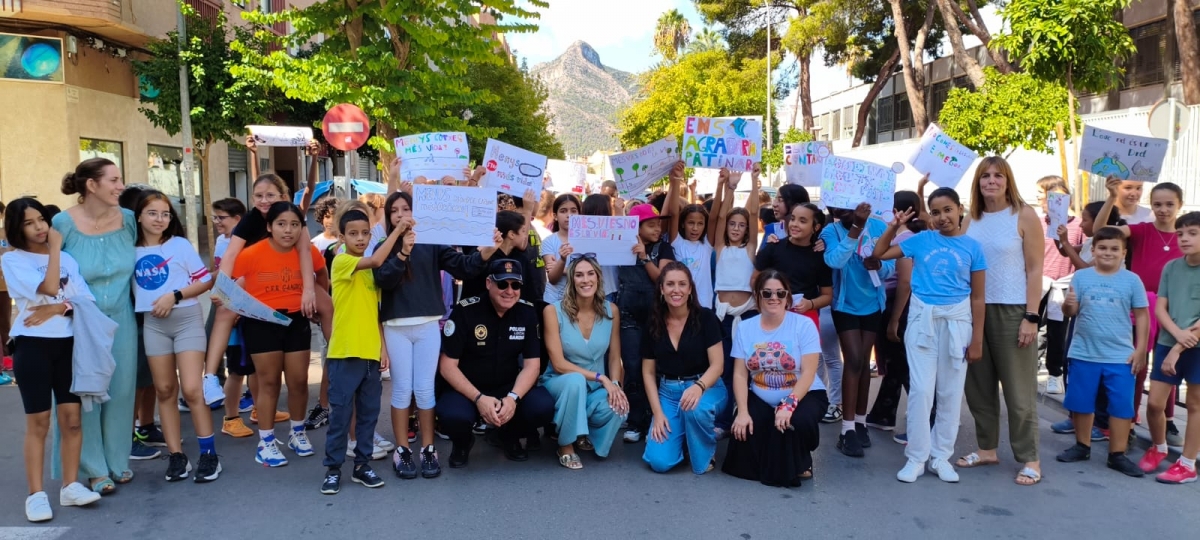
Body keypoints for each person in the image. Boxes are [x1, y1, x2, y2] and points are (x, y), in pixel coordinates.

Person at [375, 190, 495, 479]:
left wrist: (487, 251)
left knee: (426, 389)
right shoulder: (383, 245)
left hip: (429, 324)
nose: (402, 214)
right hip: (396, 327)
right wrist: (402, 250)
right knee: (403, 389)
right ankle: (402, 450)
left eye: (407, 208)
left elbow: (463, 266)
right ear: (389, 216)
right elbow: (384, 279)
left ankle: (428, 448)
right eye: (395, 210)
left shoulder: (431, 243)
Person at [874, 188, 986, 483]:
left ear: (959, 209)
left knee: (950, 393)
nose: (942, 217)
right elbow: (880, 254)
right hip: (923, 318)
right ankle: (916, 457)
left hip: (958, 321)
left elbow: (978, 298)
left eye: (948, 210)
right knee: (922, 391)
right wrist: (893, 227)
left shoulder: (974, 247)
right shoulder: (921, 240)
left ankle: (940, 456)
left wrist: (976, 340)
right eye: (935, 212)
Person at [4, 197, 103, 521]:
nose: (40, 228)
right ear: (17, 229)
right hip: (33, 345)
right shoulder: (12, 260)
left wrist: (58, 307)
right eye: (29, 223)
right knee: (39, 422)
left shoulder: (69, 260)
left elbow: (84, 299)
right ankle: (36, 495)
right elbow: (48, 285)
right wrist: (56, 252)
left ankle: (70, 486)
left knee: (73, 420)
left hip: (70, 344)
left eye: (41, 220)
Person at [959, 156, 1045, 486]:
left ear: (1008, 180)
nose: (991, 181)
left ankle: (1030, 458)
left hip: (1013, 311)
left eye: (998, 175)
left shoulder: (1024, 215)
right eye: (985, 176)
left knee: (1019, 392)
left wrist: (1031, 317)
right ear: (977, 182)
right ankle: (986, 449)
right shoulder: (971, 219)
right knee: (978, 388)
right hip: (974, 311)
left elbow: (1035, 269)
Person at [53, 158, 137, 493]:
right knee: (86, 393)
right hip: (78, 323)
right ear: (91, 185)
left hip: (122, 319)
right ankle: (92, 467)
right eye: (114, 180)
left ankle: (118, 461)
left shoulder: (130, 220)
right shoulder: (63, 222)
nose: (120, 186)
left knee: (120, 391)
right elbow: (50, 272)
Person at [230, 202, 327, 467]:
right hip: (261, 322)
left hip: (297, 320)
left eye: (295, 224)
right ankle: (267, 441)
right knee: (269, 382)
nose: (288, 231)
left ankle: (298, 433)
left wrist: (318, 298)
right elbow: (226, 283)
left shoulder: (307, 252)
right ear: (269, 227)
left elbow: (321, 272)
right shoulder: (250, 254)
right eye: (281, 224)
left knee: (298, 380)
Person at [132, 193, 219, 482]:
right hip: (153, 324)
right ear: (139, 216)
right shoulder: (129, 249)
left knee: (192, 389)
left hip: (186, 321)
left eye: (165, 214)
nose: (160, 219)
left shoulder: (179, 245)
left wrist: (175, 295)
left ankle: (209, 455)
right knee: (165, 390)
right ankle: (177, 456)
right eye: (153, 213)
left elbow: (205, 279)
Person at [436, 259, 555, 467]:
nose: (510, 291)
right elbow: (447, 366)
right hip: (469, 388)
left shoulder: (526, 313)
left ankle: (509, 437)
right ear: (489, 283)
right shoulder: (466, 310)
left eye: (515, 285)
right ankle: (463, 443)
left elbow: (532, 365)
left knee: (542, 406)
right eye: (503, 284)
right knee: (452, 414)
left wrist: (512, 398)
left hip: (507, 386)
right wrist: (479, 398)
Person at [320, 208, 405, 494]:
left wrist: (382, 348)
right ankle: (333, 469)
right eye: (353, 233)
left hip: (370, 354)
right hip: (344, 353)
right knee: (341, 415)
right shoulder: (342, 261)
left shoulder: (370, 274)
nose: (359, 238)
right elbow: (380, 258)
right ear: (341, 237)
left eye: (365, 233)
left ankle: (361, 466)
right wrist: (398, 229)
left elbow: (375, 314)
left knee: (369, 414)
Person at [1096, 179, 1186, 446]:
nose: (1163, 209)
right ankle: (1130, 420)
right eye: (1157, 204)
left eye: (1169, 204)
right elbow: (1102, 230)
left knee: (1167, 365)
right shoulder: (1141, 230)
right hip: (1139, 309)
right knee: (1136, 365)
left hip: (1174, 311)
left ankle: (1168, 421)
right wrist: (1111, 197)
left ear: (1179, 205)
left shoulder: (1187, 235)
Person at [1054, 226, 1148, 477]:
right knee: (1082, 404)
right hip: (1084, 352)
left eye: (1114, 249)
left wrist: (1141, 349)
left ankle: (1117, 454)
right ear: (1093, 250)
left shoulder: (1132, 280)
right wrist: (1068, 305)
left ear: (1124, 253)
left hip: (1121, 356)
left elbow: (1142, 315)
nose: (1108, 253)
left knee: (1121, 406)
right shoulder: (1082, 277)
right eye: (1102, 248)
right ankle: (1082, 446)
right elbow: (1070, 312)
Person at [722, 270, 827, 487]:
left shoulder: (803, 325)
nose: (774, 298)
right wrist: (741, 411)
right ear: (758, 296)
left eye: (780, 293)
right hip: (760, 395)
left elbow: (808, 371)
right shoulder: (745, 328)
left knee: (794, 423)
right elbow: (740, 373)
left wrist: (789, 404)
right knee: (743, 436)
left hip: (802, 393)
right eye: (767, 293)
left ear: (788, 297)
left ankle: (802, 458)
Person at [823, 202, 895, 457]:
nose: (838, 213)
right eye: (835, 210)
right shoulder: (831, 231)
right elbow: (834, 260)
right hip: (844, 305)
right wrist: (855, 228)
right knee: (853, 359)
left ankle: (860, 422)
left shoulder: (879, 226)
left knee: (863, 362)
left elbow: (890, 265)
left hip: (873, 304)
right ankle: (847, 430)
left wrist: (880, 265)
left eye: (845, 208)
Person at [541, 255, 627, 469]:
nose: (585, 280)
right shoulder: (553, 311)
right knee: (576, 382)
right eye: (579, 275)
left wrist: (615, 385)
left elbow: (615, 357)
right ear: (572, 280)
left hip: (596, 387)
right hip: (561, 382)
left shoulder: (611, 311)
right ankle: (566, 444)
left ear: (598, 278)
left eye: (590, 274)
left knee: (620, 406)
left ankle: (585, 433)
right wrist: (601, 377)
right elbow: (559, 363)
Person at [641, 262, 725, 474]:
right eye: (669, 284)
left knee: (695, 411)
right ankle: (686, 437)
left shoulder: (706, 318)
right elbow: (648, 372)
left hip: (706, 387)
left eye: (681, 284)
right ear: (661, 289)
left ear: (690, 289)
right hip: (668, 393)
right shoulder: (653, 322)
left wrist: (698, 386)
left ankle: (701, 443)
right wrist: (657, 413)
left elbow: (718, 365)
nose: (676, 290)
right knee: (659, 463)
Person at [1140, 211, 1200, 483]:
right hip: (1168, 340)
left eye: (1192, 233)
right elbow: (1160, 306)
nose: (1184, 239)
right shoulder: (1172, 267)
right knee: (1154, 403)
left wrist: (1180, 346)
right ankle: (1159, 447)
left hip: (1195, 346)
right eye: (1180, 234)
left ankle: (1187, 464)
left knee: (1195, 404)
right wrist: (1175, 336)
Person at [617, 184, 678, 443]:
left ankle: (657, 416)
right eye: (651, 225)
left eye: (659, 224)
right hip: (629, 316)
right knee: (632, 368)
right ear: (636, 228)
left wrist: (644, 258)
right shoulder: (621, 245)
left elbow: (662, 279)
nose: (658, 229)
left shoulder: (663, 249)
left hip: (657, 318)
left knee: (657, 368)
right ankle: (635, 420)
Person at [867, 191, 926, 440]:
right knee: (892, 364)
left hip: (900, 307)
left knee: (903, 367)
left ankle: (923, 424)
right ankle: (883, 414)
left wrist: (894, 321)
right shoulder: (896, 236)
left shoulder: (906, 239)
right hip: (892, 305)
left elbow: (905, 283)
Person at [709, 167, 760, 437]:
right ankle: (723, 421)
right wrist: (728, 187)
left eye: (741, 225)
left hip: (746, 316)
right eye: (733, 224)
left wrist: (753, 182)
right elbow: (717, 216)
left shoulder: (750, 249)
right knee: (724, 370)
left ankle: (746, 415)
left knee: (746, 369)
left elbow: (753, 213)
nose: (737, 228)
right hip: (723, 317)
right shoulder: (719, 247)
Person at [209, 199, 260, 438]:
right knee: (237, 370)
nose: (217, 222)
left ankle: (259, 410)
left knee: (257, 367)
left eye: (222, 218)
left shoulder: (243, 241)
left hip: (250, 312)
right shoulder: (224, 243)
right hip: (233, 316)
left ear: (238, 220)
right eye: (215, 217)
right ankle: (231, 418)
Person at [1036, 176, 1084, 395]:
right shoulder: (1036, 221)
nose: (1038, 197)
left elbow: (1079, 252)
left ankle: (1055, 373)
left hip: (1064, 284)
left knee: (1058, 331)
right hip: (1039, 282)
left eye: (1042, 193)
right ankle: (1029, 368)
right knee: (1034, 327)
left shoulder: (1078, 225)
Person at [666, 169, 714, 309]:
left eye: (700, 224)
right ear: (682, 223)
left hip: (704, 306)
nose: (695, 228)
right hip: (681, 306)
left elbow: (716, 218)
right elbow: (674, 213)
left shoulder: (707, 245)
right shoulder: (677, 242)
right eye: (690, 223)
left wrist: (722, 184)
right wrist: (676, 181)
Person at [542, 194, 582, 305]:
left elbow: (592, 271)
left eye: (573, 211)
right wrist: (562, 260)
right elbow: (553, 278)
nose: (569, 215)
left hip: (580, 302)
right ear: (555, 216)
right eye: (563, 211)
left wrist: (562, 269)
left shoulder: (586, 241)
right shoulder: (548, 241)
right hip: (554, 302)